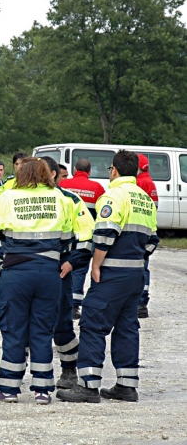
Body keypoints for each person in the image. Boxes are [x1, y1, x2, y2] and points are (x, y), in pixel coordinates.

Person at [57, 150, 158, 403]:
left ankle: (88, 386)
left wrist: (96, 266)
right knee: (126, 327)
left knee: (92, 322)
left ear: (113, 170)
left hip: (112, 272)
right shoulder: (145, 199)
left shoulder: (112, 196)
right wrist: (135, 259)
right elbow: (153, 241)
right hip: (135, 274)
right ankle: (126, 385)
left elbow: (104, 235)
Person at [0, 158, 73, 405]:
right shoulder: (60, 199)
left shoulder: (9, 197)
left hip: (17, 272)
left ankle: (9, 388)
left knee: (13, 328)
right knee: (43, 330)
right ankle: (42, 390)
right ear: (47, 174)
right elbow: (67, 235)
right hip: (48, 272)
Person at [40, 156, 94, 391]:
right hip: (29, 269)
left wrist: (72, 262)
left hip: (59, 269)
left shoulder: (71, 200)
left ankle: (69, 370)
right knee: (25, 321)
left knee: (62, 320)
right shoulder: (19, 198)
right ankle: (23, 374)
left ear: (53, 174)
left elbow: (87, 236)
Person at [58, 158, 105, 318]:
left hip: (65, 237)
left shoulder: (64, 185)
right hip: (85, 236)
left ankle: (62, 303)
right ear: (89, 171)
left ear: (75, 169)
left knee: (62, 271)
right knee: (79, 271)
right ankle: (74, 306)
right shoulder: (97, 188)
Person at [136, 154, 158, 319]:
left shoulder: (139, 183)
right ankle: (142, 303)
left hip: (138, 231)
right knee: (144, 266)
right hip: (148, 229)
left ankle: (139, 303)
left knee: (139, 267)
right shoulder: (150, 183)